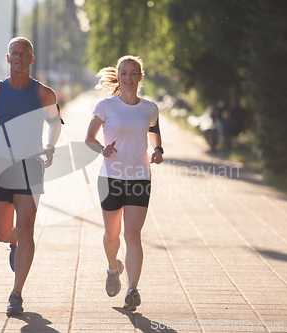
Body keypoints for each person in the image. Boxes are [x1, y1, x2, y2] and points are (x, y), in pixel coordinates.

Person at [0, 37, 62, 316]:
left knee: (26, 229)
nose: (20, 58)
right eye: (15, 53)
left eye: (25, 54)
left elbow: (55, 124)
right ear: (8, 58)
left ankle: (16, 293)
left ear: (31, 59)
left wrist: (50, 146)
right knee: (3, 234)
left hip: (29, 167)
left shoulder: (45, 94)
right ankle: (12, 243)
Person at [85, 55, 163, 311]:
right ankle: (112, 268)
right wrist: (102, 149)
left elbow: (153, 129)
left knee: (132, 234)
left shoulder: (149, 108)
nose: (128, 78)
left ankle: (132, 289)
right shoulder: (106, 106)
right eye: (123, 73)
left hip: (140, 177)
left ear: (140, 77)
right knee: (111, 235)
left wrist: (158, 149)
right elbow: (89, 138)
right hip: (110, 178)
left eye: (133, 73)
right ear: (118, 77)